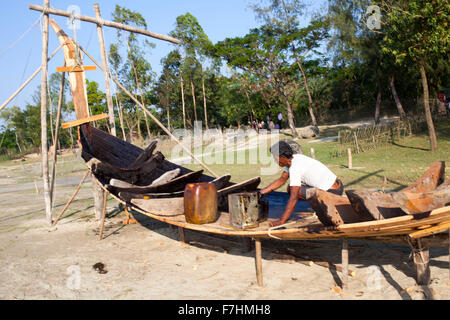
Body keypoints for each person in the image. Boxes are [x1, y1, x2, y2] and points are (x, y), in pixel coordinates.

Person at [259, 140, 344, 227]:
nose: (275, 161)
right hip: (338, 186)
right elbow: (281, 180)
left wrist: (282, 220)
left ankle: (322, 206)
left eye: (275, 158)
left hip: (333, 192)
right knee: (290, 188)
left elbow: (294, 197)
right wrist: (261, 192)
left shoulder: (295, 167)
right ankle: (319, 204)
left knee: (294, 190)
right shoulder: (294, 159)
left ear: (283, 157)